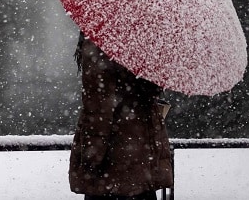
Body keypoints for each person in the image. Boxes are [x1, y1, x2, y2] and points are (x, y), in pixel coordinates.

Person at [69, 31, 173, 200]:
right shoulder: (146, 40)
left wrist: (89, 161)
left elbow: (98, 113)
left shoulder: (100, 43)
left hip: (112, 168)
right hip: (143, 159)